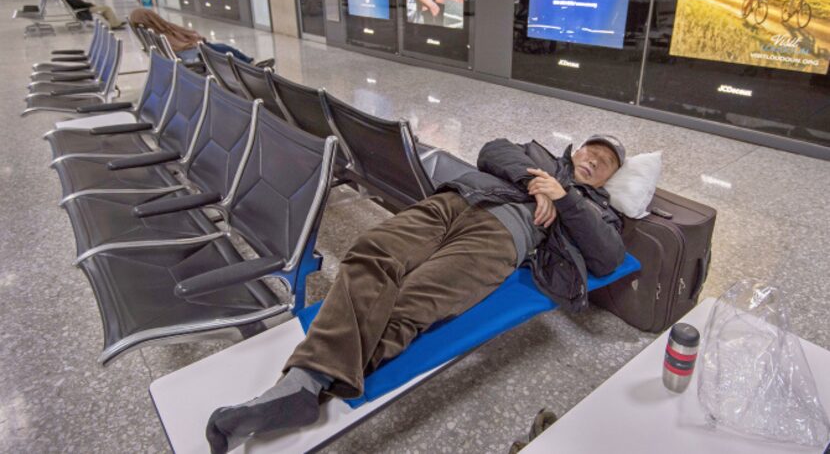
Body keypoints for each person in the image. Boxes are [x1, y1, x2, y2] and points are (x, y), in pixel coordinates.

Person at [204, 135, 628, 454]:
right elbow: (492, 150)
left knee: (413, 300)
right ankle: (306, 386)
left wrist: (565, 197)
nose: (594, 160)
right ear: (576, 149)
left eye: (606, 162)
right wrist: (537, 182)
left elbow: (608, 257)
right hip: (453, 204)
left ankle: (303, 383)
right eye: (592, 150)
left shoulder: (598, 209)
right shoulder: (536, 156)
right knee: (370, 256)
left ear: (611, 177)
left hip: (500, 240)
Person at [128, 9, 273, 67]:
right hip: (193, 53)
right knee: (223, 49)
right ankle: (250, 65)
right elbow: (180, 46)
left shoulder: (152, 32)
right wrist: (195, 42)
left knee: (223, 48)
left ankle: (250, 64)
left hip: (190, 51)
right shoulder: (160, 33)